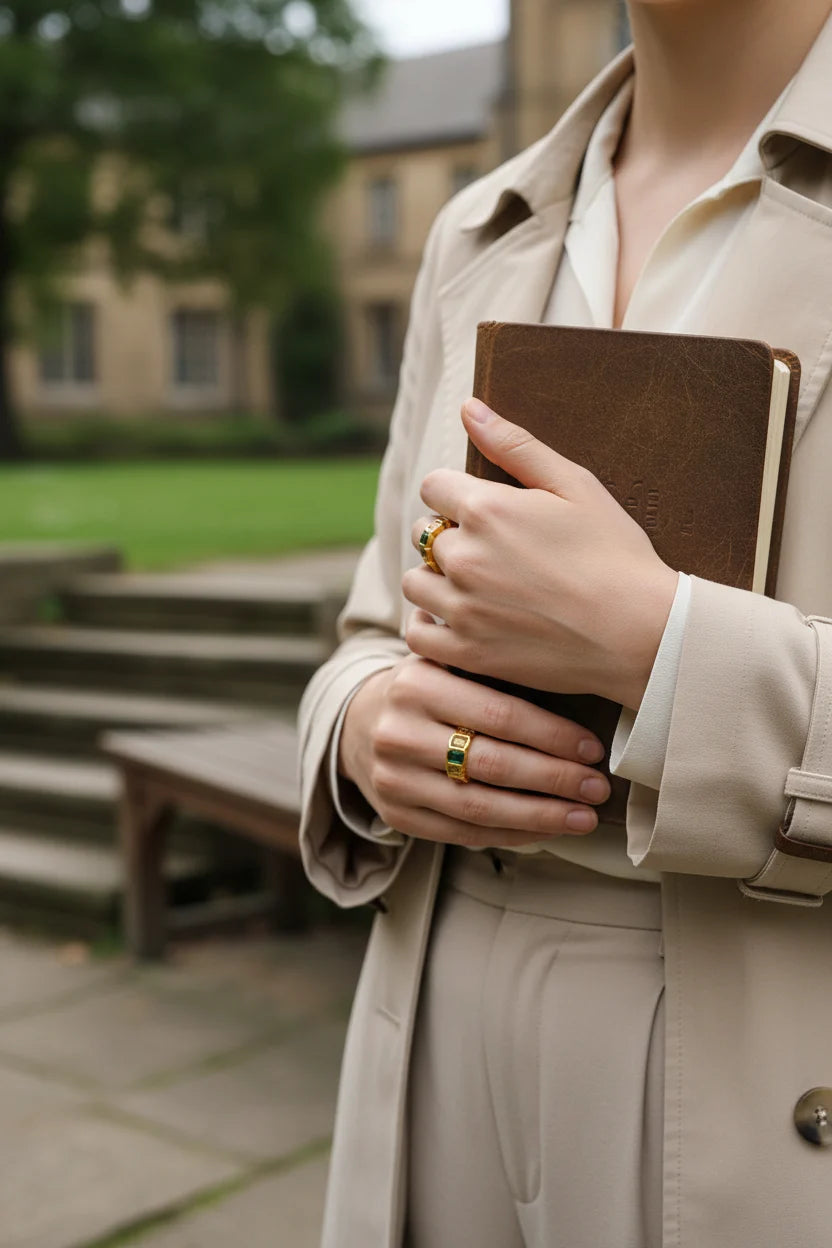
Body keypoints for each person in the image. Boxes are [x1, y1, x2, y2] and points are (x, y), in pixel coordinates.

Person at [298, 1, 832, 1245]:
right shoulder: (477, 227)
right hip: (437, 1010)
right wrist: (366, 727)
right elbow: (371, 628)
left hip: (764, 1045)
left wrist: (663, 649)